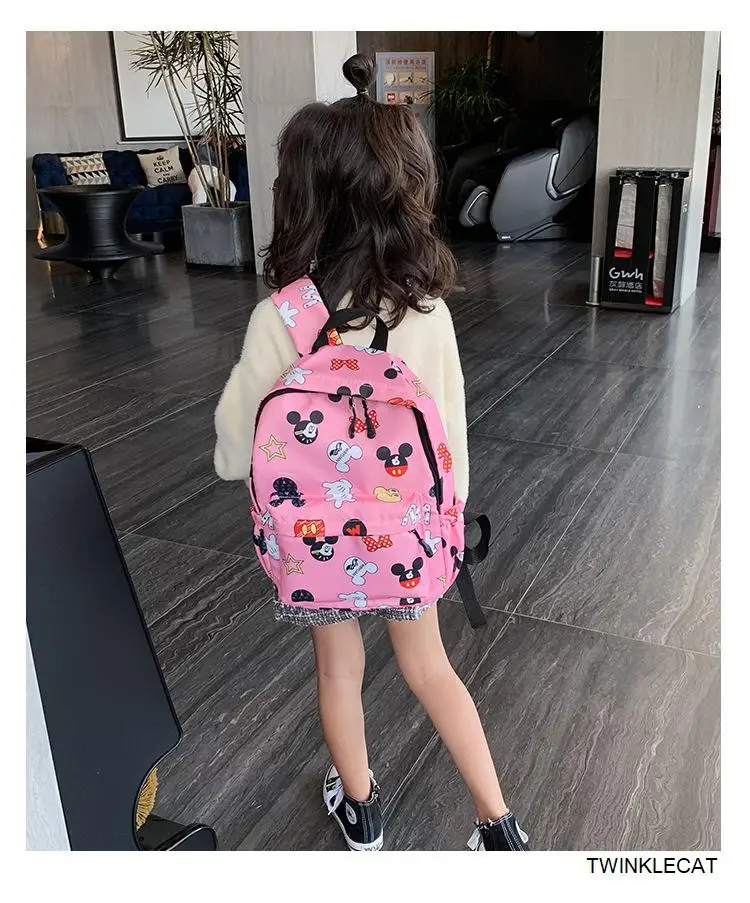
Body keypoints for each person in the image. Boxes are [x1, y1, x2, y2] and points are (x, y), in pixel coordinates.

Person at [213, 53, 529, 853]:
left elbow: (234, 450)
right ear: (405, 194)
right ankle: (497, 824)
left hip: (315, 541)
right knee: (431, 667)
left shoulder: (283, 318)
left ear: (302, 198)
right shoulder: (425, 313)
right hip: (408, 532)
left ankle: (360, 809)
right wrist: (447, 522)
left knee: (338, 668)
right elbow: (449, 441)